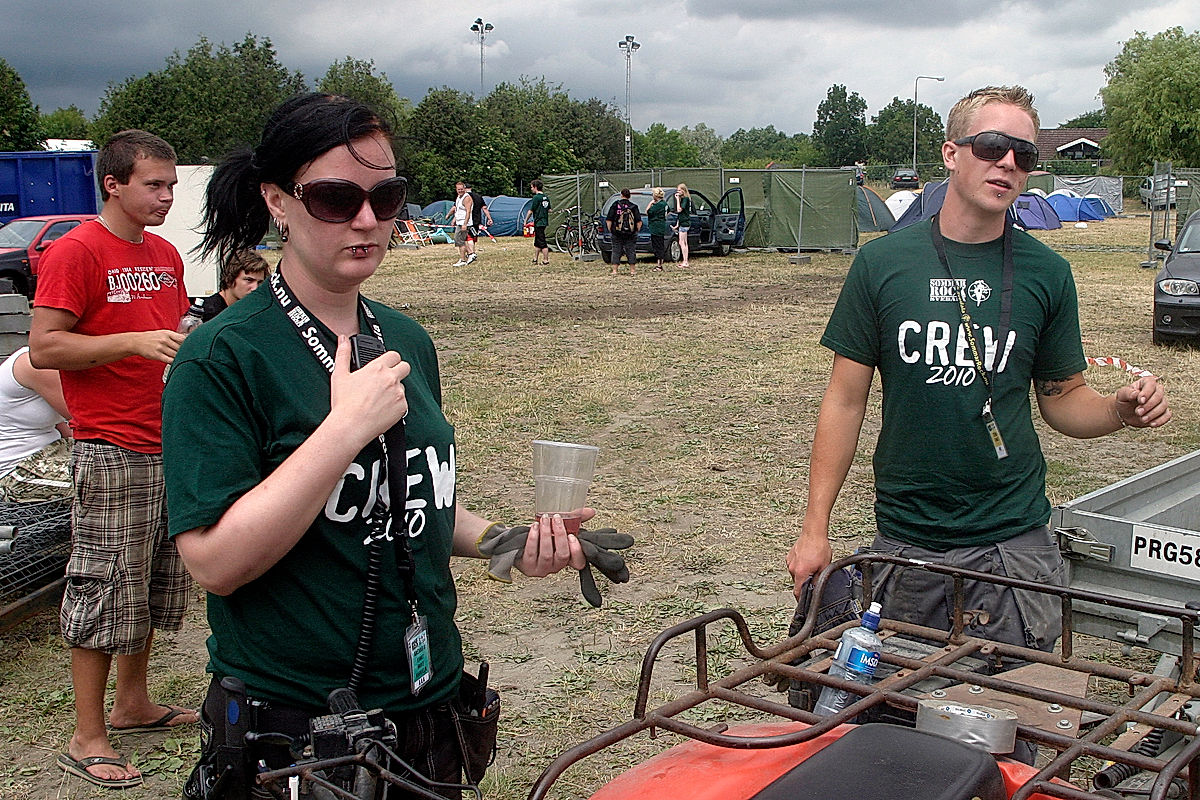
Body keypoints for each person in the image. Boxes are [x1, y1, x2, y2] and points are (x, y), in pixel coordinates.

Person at [162, 93, 592, 798]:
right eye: (335, 198)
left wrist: (507, 542)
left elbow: (407, 499)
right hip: (302, 731)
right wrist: (341, 432)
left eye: (385, 196)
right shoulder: (223, 358)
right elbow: (215, 562)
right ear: (278, 200)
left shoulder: (405, 339)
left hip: (429, 708)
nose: (367, 220)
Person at [785, 86, 1171, 656]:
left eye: (1025, 153)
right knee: (894, 724)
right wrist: (814, 530)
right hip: (907, 544)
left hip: (1015, 548)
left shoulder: (1047, 273)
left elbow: (1063, 397)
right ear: (950, 153)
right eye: (992, 145)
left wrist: (1117, 410)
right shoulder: (882, 263)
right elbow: (844, 401)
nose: (1009, 163)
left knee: (1013, 729)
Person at [30, 129, 198, 790]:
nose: (167, 196)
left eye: (172, 184)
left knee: (150, 583)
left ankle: (133, 704)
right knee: (104, 586)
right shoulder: (77, 251)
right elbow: (44, 347)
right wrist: (131, 341)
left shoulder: (163, 253)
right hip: (109, 446)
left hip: (165, 443)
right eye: (155, 185)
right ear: (114, 183)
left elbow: (172, 334)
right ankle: (87, 735)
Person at [0, 346, 71, 502]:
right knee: (98, 485)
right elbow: (84, 416)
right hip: (17, 468)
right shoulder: (35, 364)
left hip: (53, 450)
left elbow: (62, 424)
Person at [198, 249, 269, 322]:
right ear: (230, 278)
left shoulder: (253, 308)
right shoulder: (209, 312)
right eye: (249, 280)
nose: (255, 288)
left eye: (260, 282)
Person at [606, 188, 641, 277]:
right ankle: (632, 270)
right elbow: (638, 222)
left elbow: (609, 219)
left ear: (621, 195)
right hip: (630, 233)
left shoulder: (615, 205)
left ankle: (615, 270)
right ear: (629, 196)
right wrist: (636, 230)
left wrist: (611, 229)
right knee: (631, 250)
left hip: (617, 232)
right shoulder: (633, 206)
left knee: (616, 250)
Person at [448, 180, 475, 266]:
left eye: (462, 189)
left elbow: (468, 212)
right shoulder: (458, 198)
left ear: (465, 189)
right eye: (458, 189)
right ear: (456, 189)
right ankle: (464, 257)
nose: (460, 191)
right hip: (459, 222)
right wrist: (453, 218)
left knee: (460, 240)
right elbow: (457, 210)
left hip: (464, 223)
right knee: (460, 241)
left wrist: (465, 224)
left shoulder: (467, 198)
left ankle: (469, 255)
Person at [525, 179, 551, 265]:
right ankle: (535, 259)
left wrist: (526, 221)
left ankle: (545, 260)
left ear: (535, 187)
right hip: (544, 221)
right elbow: (550, 210)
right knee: (537, 241)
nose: (531, 189)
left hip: (539, 222)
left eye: (532, 187)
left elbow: (531, 210)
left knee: (542, 241)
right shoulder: (546, 197)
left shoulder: (536, 198)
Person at [467, 182, 494, 257]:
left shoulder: (464, 197)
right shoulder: (478, 196)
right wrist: (489, 219)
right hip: (477, 219)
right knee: (473, 236)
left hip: (467, 219)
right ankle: (473, 251)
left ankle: (471, 253)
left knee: (468, 237)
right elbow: (484, 208)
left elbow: (455, 208)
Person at [645, 188, 669, 271]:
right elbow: (668, 211)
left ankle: (659, 265)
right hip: (661, 226)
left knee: (657, 246)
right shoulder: (664, 204)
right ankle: (660, 263)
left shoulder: (656, 205)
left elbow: (647, 212)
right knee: (660, 244)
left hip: (655, 227)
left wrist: (651, 203)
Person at [673, 183, 692, 268]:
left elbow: (679, 210)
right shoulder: (683, 199)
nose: (678, 192)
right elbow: (681, 215)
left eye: (680, 190)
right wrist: (677, 224)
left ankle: (685, 261)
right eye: (678, 190)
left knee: (682, 242)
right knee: (684, 242)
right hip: (682, 223)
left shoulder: (685, 199)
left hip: (685, 224)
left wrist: (677, 199)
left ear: (684, 191)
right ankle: (685, 260)